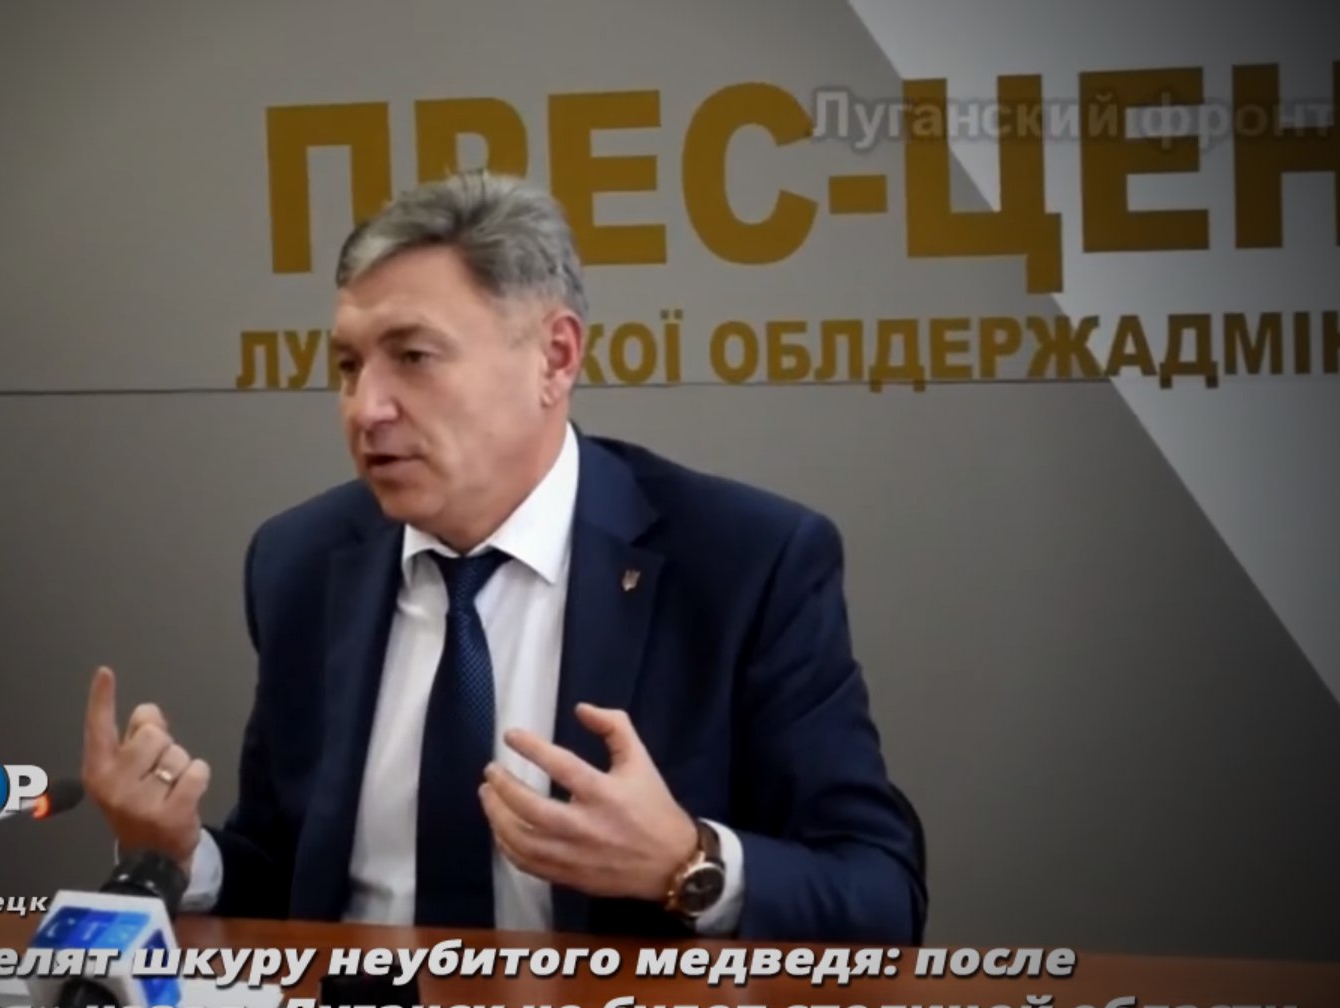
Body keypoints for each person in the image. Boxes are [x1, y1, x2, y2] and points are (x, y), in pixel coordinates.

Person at [80, 171, 924, 942]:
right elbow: (292, 872)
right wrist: (182, 855)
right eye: (348, 365)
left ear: (555, 357)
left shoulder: (745, 564)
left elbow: (879, 894)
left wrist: (686, 863)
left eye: (413, 357)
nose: (366, 408)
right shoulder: (300, 562)